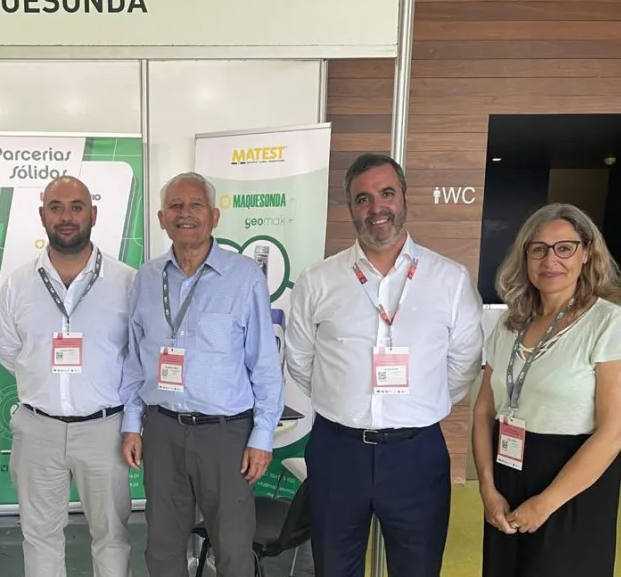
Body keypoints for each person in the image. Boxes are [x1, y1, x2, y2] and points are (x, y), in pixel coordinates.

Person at [284, 153, 484, 577]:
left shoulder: (449, 280)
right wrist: (343, 400)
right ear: (351, 209)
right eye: (362, 199)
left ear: (404, 198)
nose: (376, 208)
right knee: (334, 569)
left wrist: (419, 405)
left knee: (417, 569)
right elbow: (300, 361)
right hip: (338, 451)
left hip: (417, 454)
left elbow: (465, 362)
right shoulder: (317, 281)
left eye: (386, 193)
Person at [120, 172, 284, 577]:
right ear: (161, 218)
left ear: (213, 216)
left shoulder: (244, 277)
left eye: (195, 205)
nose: (185, 213)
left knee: (232, 548)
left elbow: (264, 362)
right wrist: (131, 424)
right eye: (175, 206)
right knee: (161, 546)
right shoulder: (146, 278)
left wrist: (262, 436)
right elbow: (134, 360)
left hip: (226, 435)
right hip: (162, 430)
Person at [0, 176, 135, 577]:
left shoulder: (126, 281)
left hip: (105, 429)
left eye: (77, 206)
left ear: (93, 213)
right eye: (56, 207)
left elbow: (136, 359)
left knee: (111, 535)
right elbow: (8, 351)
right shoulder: (17, 284)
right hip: (38, 428)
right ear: (42, 215)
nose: (67, 217)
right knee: (39, 537)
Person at [472, 203, 621, 577]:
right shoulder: (510, 321)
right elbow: (483, 412)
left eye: (564, 247)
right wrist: (488, 489)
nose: (549, 259)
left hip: (571, 483)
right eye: (537, 248)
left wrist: (546, 503)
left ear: (587, 253)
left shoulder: (607, 322)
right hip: (508, 471)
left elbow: (614, 431)